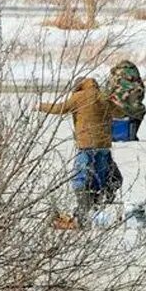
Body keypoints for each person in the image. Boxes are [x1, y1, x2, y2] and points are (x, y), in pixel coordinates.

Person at [40, 76, 123, 222]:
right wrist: (116, 103)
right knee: (100, 176)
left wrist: (40, 106)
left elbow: (60, 108)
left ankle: (84, 206)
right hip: (103, 145)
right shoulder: (103, 96)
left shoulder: (78, 97)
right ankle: (97, 205)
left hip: (86, 144)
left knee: (81, 175)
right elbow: (120, 113)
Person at [105, 60, 146, 142]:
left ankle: (115, 135)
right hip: (136, 110)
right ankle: (132, 135)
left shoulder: (115, 75)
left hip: (117, 109)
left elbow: (107, 92)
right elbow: (142, 95)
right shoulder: (137, 77)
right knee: (138, 111)